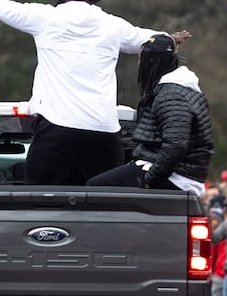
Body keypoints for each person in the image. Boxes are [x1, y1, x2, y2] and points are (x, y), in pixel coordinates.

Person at [0, 0, 189, 185]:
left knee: (37, 200)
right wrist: (169, 38)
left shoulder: (46, 17)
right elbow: (146, 41)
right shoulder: (113, 26)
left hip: (58, 129)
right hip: (104, 133)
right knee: (105, 206)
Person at [86, 33, 213, 192]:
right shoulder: (177, 89)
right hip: (175, 172)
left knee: (94, 188)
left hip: (176, 177)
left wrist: (150, 180)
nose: (140, 65)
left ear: (151, 61)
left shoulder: (172, 96)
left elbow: (176, 145)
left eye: (142, 60)